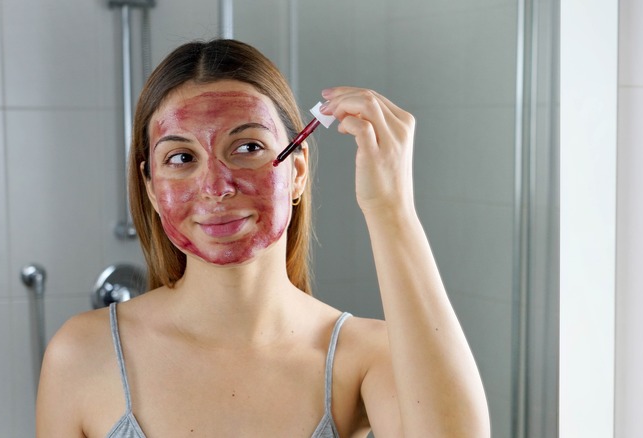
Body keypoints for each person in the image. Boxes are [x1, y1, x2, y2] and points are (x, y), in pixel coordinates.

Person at [36, 39, 490, 437]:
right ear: (152, 188)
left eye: (249, 147)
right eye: (180, 157)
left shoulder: (365, 356)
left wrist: (392, 210)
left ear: (296, 171)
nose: (216, 186)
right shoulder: (82, 355)